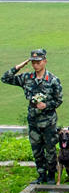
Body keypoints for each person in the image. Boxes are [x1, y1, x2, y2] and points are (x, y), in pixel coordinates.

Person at [2, 49, 63, 184]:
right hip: (34, 120)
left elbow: (58, 100)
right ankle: (41, 175)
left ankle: (51, 175)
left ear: (44, 61)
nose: (36, 65)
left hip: (48, 121)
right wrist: (20, 66)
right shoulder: (27, 78)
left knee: (50, 149)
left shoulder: (52, 80)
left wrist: (46, 105)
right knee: (37, 150)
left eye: (38, 62)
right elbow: (5, 78)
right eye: (33, 62)